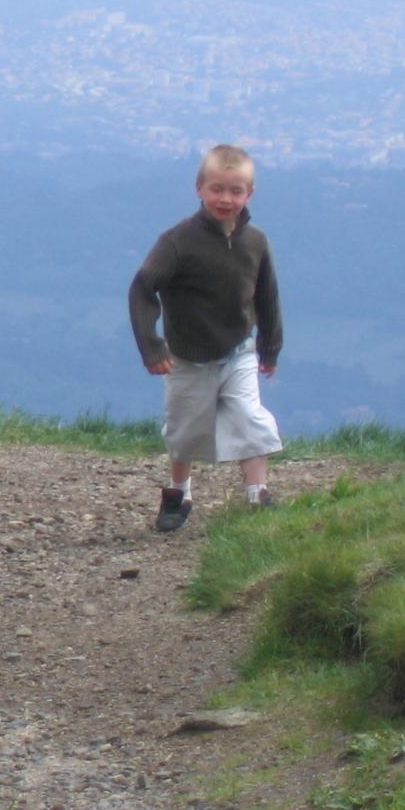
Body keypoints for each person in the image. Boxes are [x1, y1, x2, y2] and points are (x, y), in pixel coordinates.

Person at [128, 143, 284, 531]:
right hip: (187, 357)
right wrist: (152, 346)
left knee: (251, 418)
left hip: (238, 352)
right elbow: (143, 288)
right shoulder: (177, 241)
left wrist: (270, 347)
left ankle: (258, 494)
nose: (226, 199)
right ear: (199, 188)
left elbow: (267, 295)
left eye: (235, 191)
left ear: (250, 193)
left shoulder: (256, 242)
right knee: (186, 429)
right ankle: (178, 492)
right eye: (217, 189)